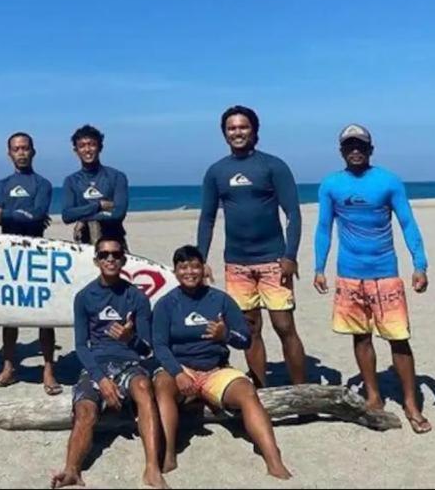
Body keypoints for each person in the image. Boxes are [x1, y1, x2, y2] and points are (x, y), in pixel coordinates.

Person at [314, 124, 433, 434]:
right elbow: (324, 228)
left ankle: (411, 403)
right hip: (350, 274)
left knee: (398, 338)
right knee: (361, 336)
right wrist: (318, 267)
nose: (355, 150)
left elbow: (408, 223)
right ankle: (374, 394)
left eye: (361, 145)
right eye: (349, 145)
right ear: (341, 150)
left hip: (385, 273)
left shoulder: (388, 181)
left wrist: (420, 265)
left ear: (370, 149)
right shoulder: (331, 185)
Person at [152, 245, 292, 480]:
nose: (190, 272)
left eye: (195, 266)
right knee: (162, 386)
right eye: (183, 267)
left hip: (215, 370)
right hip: (181, 369)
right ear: (175, 272)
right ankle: (168, 453)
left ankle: (273, 458)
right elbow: (159, 345)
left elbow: (245, 340)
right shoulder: (166, 304)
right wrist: (177, 372)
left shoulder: (221, 300)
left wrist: (224, 335)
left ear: (203, 269)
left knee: (247, 392)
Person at [197, 105, 307, 388]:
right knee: (249, 329)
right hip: (237, 264)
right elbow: (207, 218)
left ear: (254, 130)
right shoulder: (216, 172)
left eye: (243, 127)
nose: (237, 132)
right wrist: (201, 258)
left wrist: (290, 255)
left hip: (273, 261)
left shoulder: (273, 165)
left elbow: (293, 213)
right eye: (231, 128)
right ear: (224, 133)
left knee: (284, 327)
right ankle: (260, 389)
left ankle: (301, 390)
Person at [51, 235, 167, 489]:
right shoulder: (84, 297)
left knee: (144, 390)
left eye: (115, 254)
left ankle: (152, 469)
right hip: (97, 365)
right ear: (96, 260)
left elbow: (148, 348)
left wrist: (130, 338)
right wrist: (101, 379)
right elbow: (81, 346)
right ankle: (72, 471)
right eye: (104, 255)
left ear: (123, 260)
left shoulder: (136, 297)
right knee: (85, 411)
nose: (110, 259)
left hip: (129, 363)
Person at [0, 132, 62, 395]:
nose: (21, 153)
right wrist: (23, 216)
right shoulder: (2, 184)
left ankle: (49, 369)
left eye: (25, 148)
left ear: (33, 151)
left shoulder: (43, 184)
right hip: (8, 255)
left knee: (45, 315)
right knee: (10, 316)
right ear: (9, 153)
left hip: (37, 254)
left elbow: (37, 214)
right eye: (16, 149)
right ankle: (9, 367)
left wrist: (8, 214)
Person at [61, 125, 129, 244]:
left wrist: (82, 218)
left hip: (114, 243)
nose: (87, 150)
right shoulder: (71, 181)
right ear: (76, 151)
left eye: (92, 144)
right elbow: (67, 216)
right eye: (82, 146)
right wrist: (99, 205)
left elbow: (118, 213)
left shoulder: (117, 177)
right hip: (84, 243)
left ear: (100, 147)